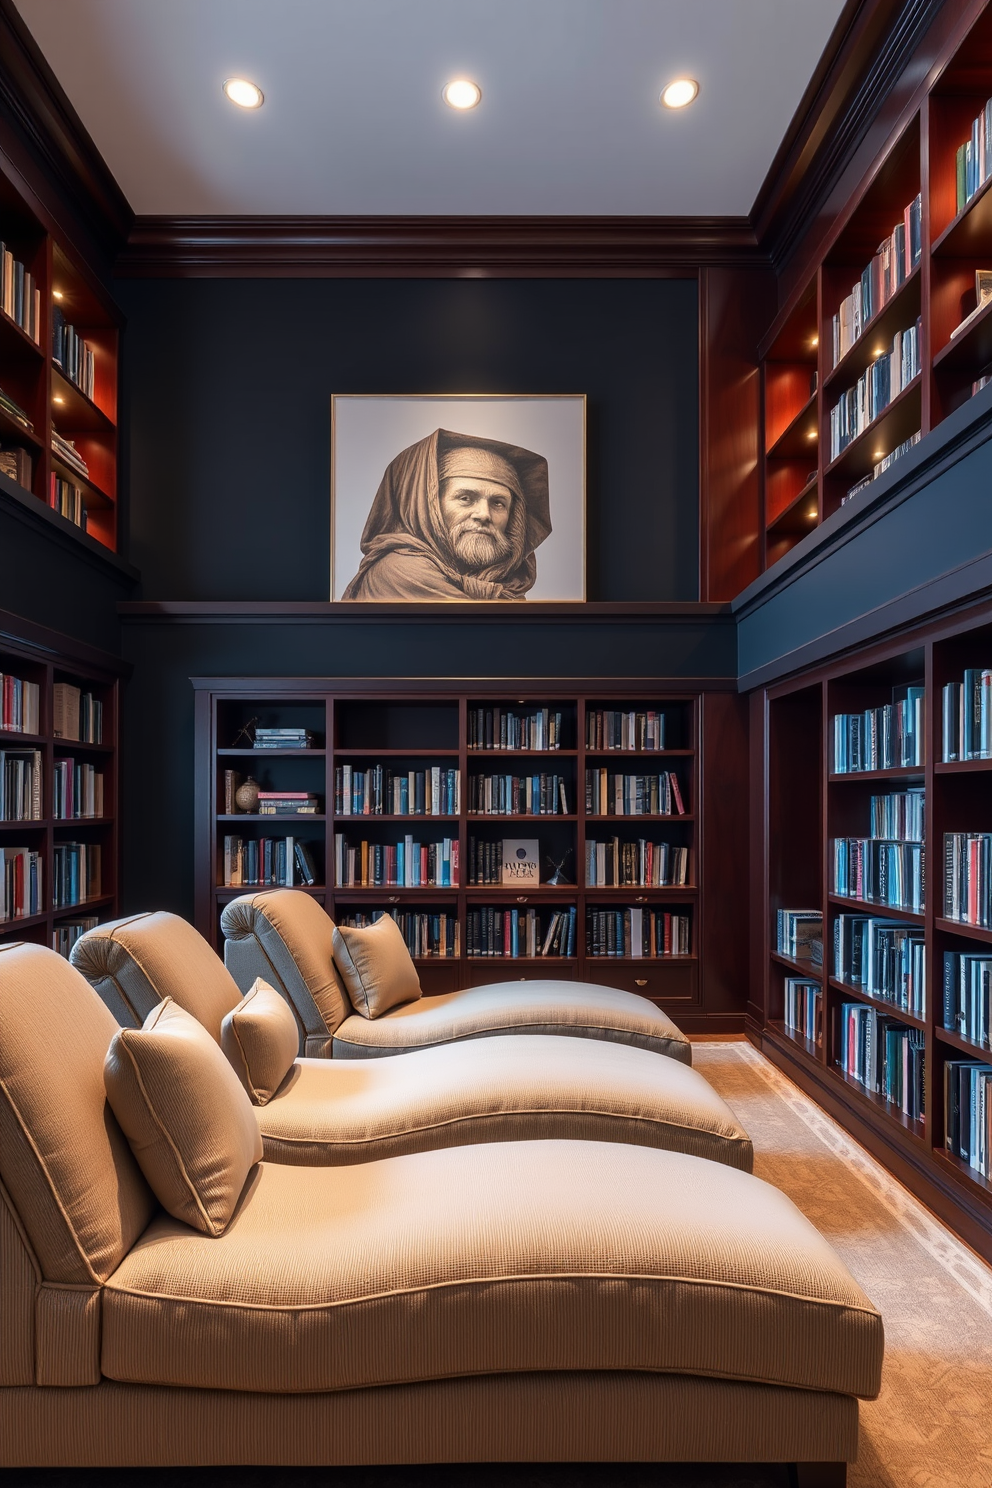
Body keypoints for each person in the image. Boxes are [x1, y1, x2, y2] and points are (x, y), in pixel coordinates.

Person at [342, 428, 551, 601]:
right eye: (465, 498)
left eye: (498, 503)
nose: (484, 514)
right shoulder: (400, 570)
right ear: (428, 506)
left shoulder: (507, 587)